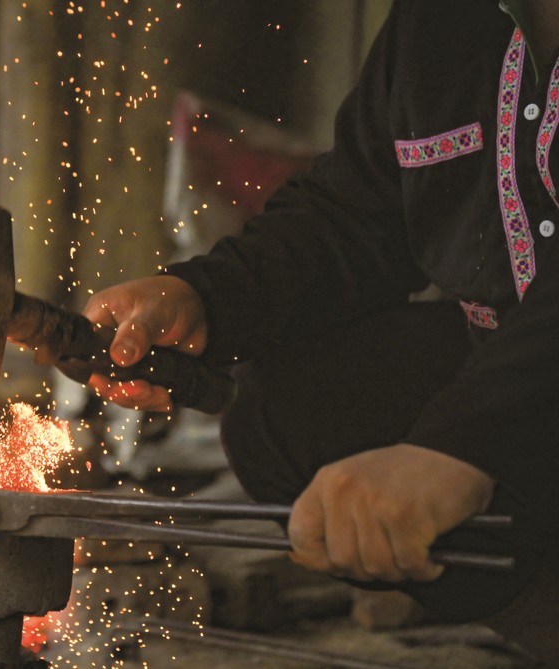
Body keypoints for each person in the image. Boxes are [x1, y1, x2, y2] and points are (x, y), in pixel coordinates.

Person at [83, 0, 559, 660]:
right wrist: (207, 295)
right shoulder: (440, 21)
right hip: (503, 364)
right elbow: (353, 210)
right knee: (279, 417)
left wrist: (469, 441)